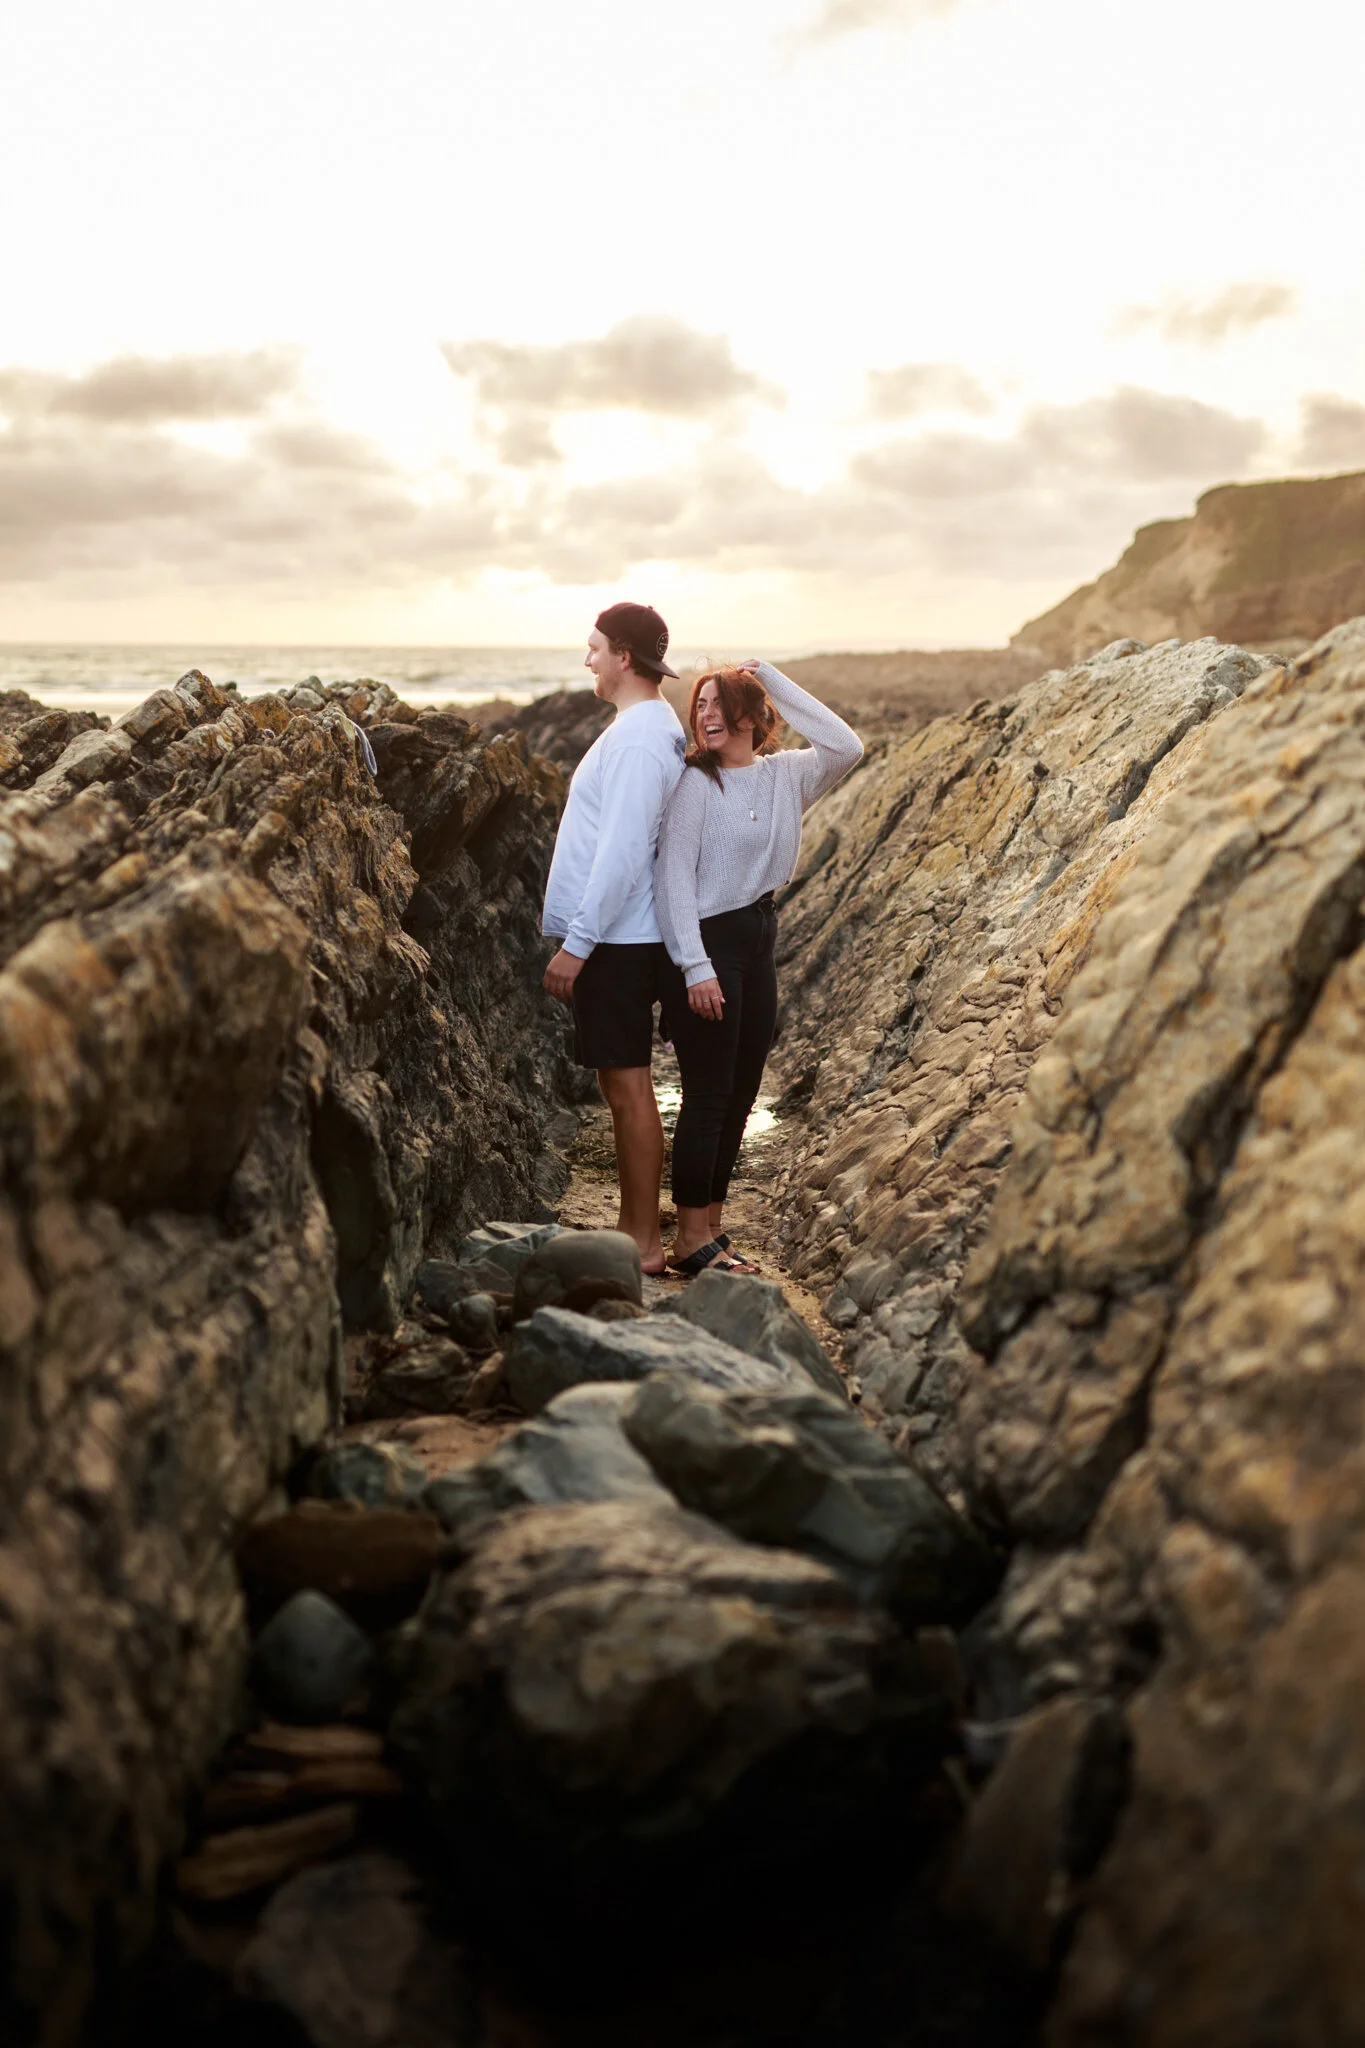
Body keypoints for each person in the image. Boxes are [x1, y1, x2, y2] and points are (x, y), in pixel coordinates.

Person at [655, 660, 862, 1276]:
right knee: (709, 1095)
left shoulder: (786, 777)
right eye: (700, 706)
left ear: (752, 715)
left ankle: (711, 1229)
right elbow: (673, 884)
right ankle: (690, 1237)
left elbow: (847, 745)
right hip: (708, 945)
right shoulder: (694, 784)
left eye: (719, 704)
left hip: (758, 936)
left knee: (743, 1094)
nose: (706, 715)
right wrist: (694, 967)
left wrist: (770, 677)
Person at [542, 602, 687, 1275]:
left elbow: (622, 851)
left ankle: (641, 1241)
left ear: (624, 656)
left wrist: (579, 942)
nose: (588, 660)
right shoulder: (641, 727)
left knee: (627, 1087)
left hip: (620, 942)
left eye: (595, 647)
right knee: (620, 1083)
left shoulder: (635, 738)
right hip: (623, 937)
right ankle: (636, 1230)